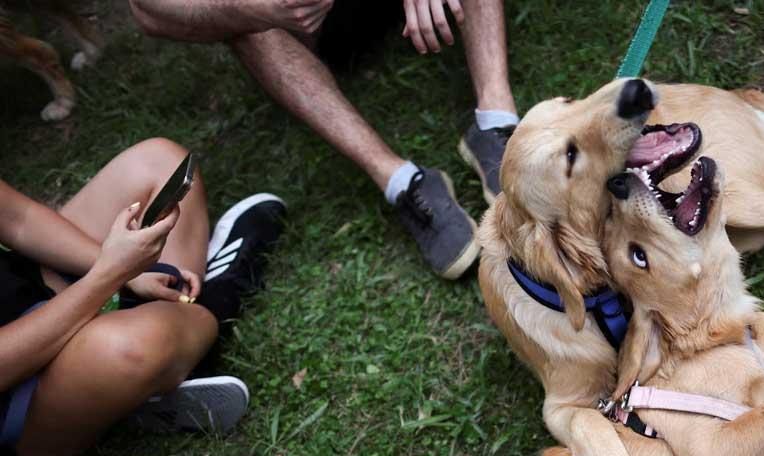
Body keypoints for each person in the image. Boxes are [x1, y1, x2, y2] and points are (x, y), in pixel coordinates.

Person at [128, 0, 521, 280]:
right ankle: (400, 181)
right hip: (308, 27)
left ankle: (496, 121)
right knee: (234, 10)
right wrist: (250, 8)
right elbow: (149, 11)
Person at [0, 138, 285, 456]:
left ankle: (164, 352)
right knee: (125, 350)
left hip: (27, 288)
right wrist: (108, 275)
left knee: (160, 163)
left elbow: (17, 220)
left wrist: (125, 270)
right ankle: (222, 296)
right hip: (17, 409)